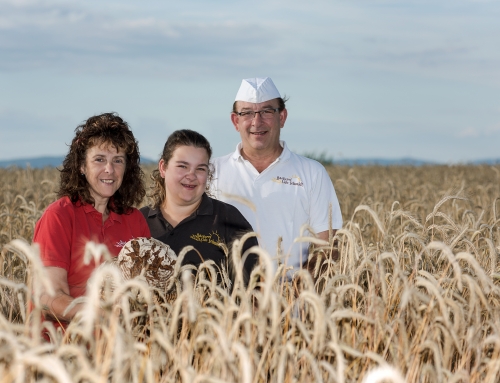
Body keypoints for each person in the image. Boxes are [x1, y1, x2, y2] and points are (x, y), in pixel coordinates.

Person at [211, 77, 343, 276]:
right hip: (225, 303)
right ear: (235, 121)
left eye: (266, 111)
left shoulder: (312, 173)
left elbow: (328, 246)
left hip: (293, 304)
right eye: (247, 113)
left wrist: (292, 295)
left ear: (282, 117)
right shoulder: (212, 172)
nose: (257, 121)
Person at [32, 113, 151, 331]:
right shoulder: (59, 217)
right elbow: (48, 297)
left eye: (118, 160)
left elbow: (148, 291)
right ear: (81, 166)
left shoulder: (135, 220)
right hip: (65, 352)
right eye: (99, 159)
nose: (109, 169)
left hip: (119, 353)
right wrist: (99, 313)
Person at [140, 129, 258, 286]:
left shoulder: (229, 219)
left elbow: (254, 292)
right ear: (163, 167)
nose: (191, 175)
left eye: (200, 169)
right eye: (182, 166)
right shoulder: (138, 220)